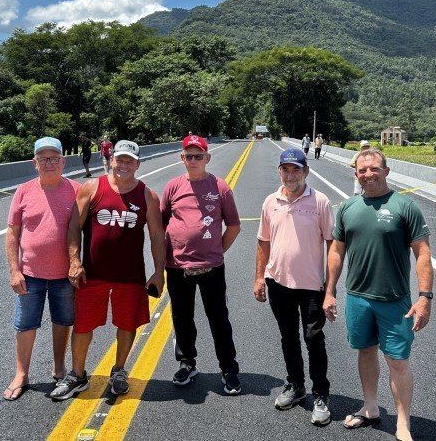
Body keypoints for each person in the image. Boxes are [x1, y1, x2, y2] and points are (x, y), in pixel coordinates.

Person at [324, 149, 433, 441]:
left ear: (386, 170)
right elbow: (337, 250)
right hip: (358, 297)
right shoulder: (348, 207)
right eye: (362, 170)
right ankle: (371, 408)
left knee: (398, 361)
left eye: (374, 169)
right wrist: (330, 290)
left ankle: (403, 423)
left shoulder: (404, 206)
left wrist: (425, 297)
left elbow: (422, 253)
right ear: (356, 174)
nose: (368, 175)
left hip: (394, 300)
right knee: (366, 351)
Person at [51, 140, 165, 400]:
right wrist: (74, 261)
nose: (124, 165)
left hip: (130, 274)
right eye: (120, 159)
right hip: (92, 273)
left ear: (137, 164)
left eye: (130, 161)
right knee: (83, 325)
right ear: (111, 159)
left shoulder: (148, 195)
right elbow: (73, 227)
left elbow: (158, 236)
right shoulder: (91, 188)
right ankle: (77, 375)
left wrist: (159, 272)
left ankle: (119, 370)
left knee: (127, 324)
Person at [253, 148, 335, 426]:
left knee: (314, 339)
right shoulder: (270, 202)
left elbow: (332, 244)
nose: (290, 175)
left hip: (312, 285)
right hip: (278, 282)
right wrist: (258, 278)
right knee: (288, 337)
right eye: (285, 170)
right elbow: (263, 241)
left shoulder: (320, 201)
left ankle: (320, 394)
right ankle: (296, 385)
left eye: (295, 169)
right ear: (279, 172)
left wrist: (331, 288)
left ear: (306, 172)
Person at [160, 134, 243, 395]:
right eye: (188, 156)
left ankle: (229, 369)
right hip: (177, 267)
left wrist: (217, 250)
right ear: (181, 158)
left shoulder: (219, 187)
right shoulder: (172, 187)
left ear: (207, 158)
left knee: (219, 319)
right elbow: (160, 224)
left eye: (198, 156)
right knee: (182, 318)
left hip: (212, 268)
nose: (193, 160)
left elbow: (234, 226)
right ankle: (187, 363)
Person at [4, 136, 81, 401]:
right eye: (43, 159)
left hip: (65, 275)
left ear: (63, 161)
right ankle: (21, 374)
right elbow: (13, 233)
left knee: (63, 322)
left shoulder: (77, 190)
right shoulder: (23, 191)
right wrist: (15, 270)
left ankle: (59, 367)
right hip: (30, 274)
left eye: (54, 158)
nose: (49, 163)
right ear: (34, 163)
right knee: (25, 325)